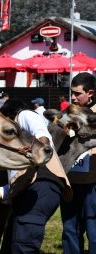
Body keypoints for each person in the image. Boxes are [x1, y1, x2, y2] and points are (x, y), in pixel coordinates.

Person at [0, 99, 71, 254]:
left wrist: (35, 151)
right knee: (11, 244)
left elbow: (43, 136)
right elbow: (16, 184)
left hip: (41, 185)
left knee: (23, 246)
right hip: (26, 192)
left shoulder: (24, 115)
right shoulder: (14, 154)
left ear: (9, 117)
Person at [61, 72, 96, 254]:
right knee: (70, 230)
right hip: (70, 183)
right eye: (71, 93)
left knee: (94, 230)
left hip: (93, 185)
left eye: (77, 93)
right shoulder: (67, 113)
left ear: (90, 93)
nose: (72, 97)